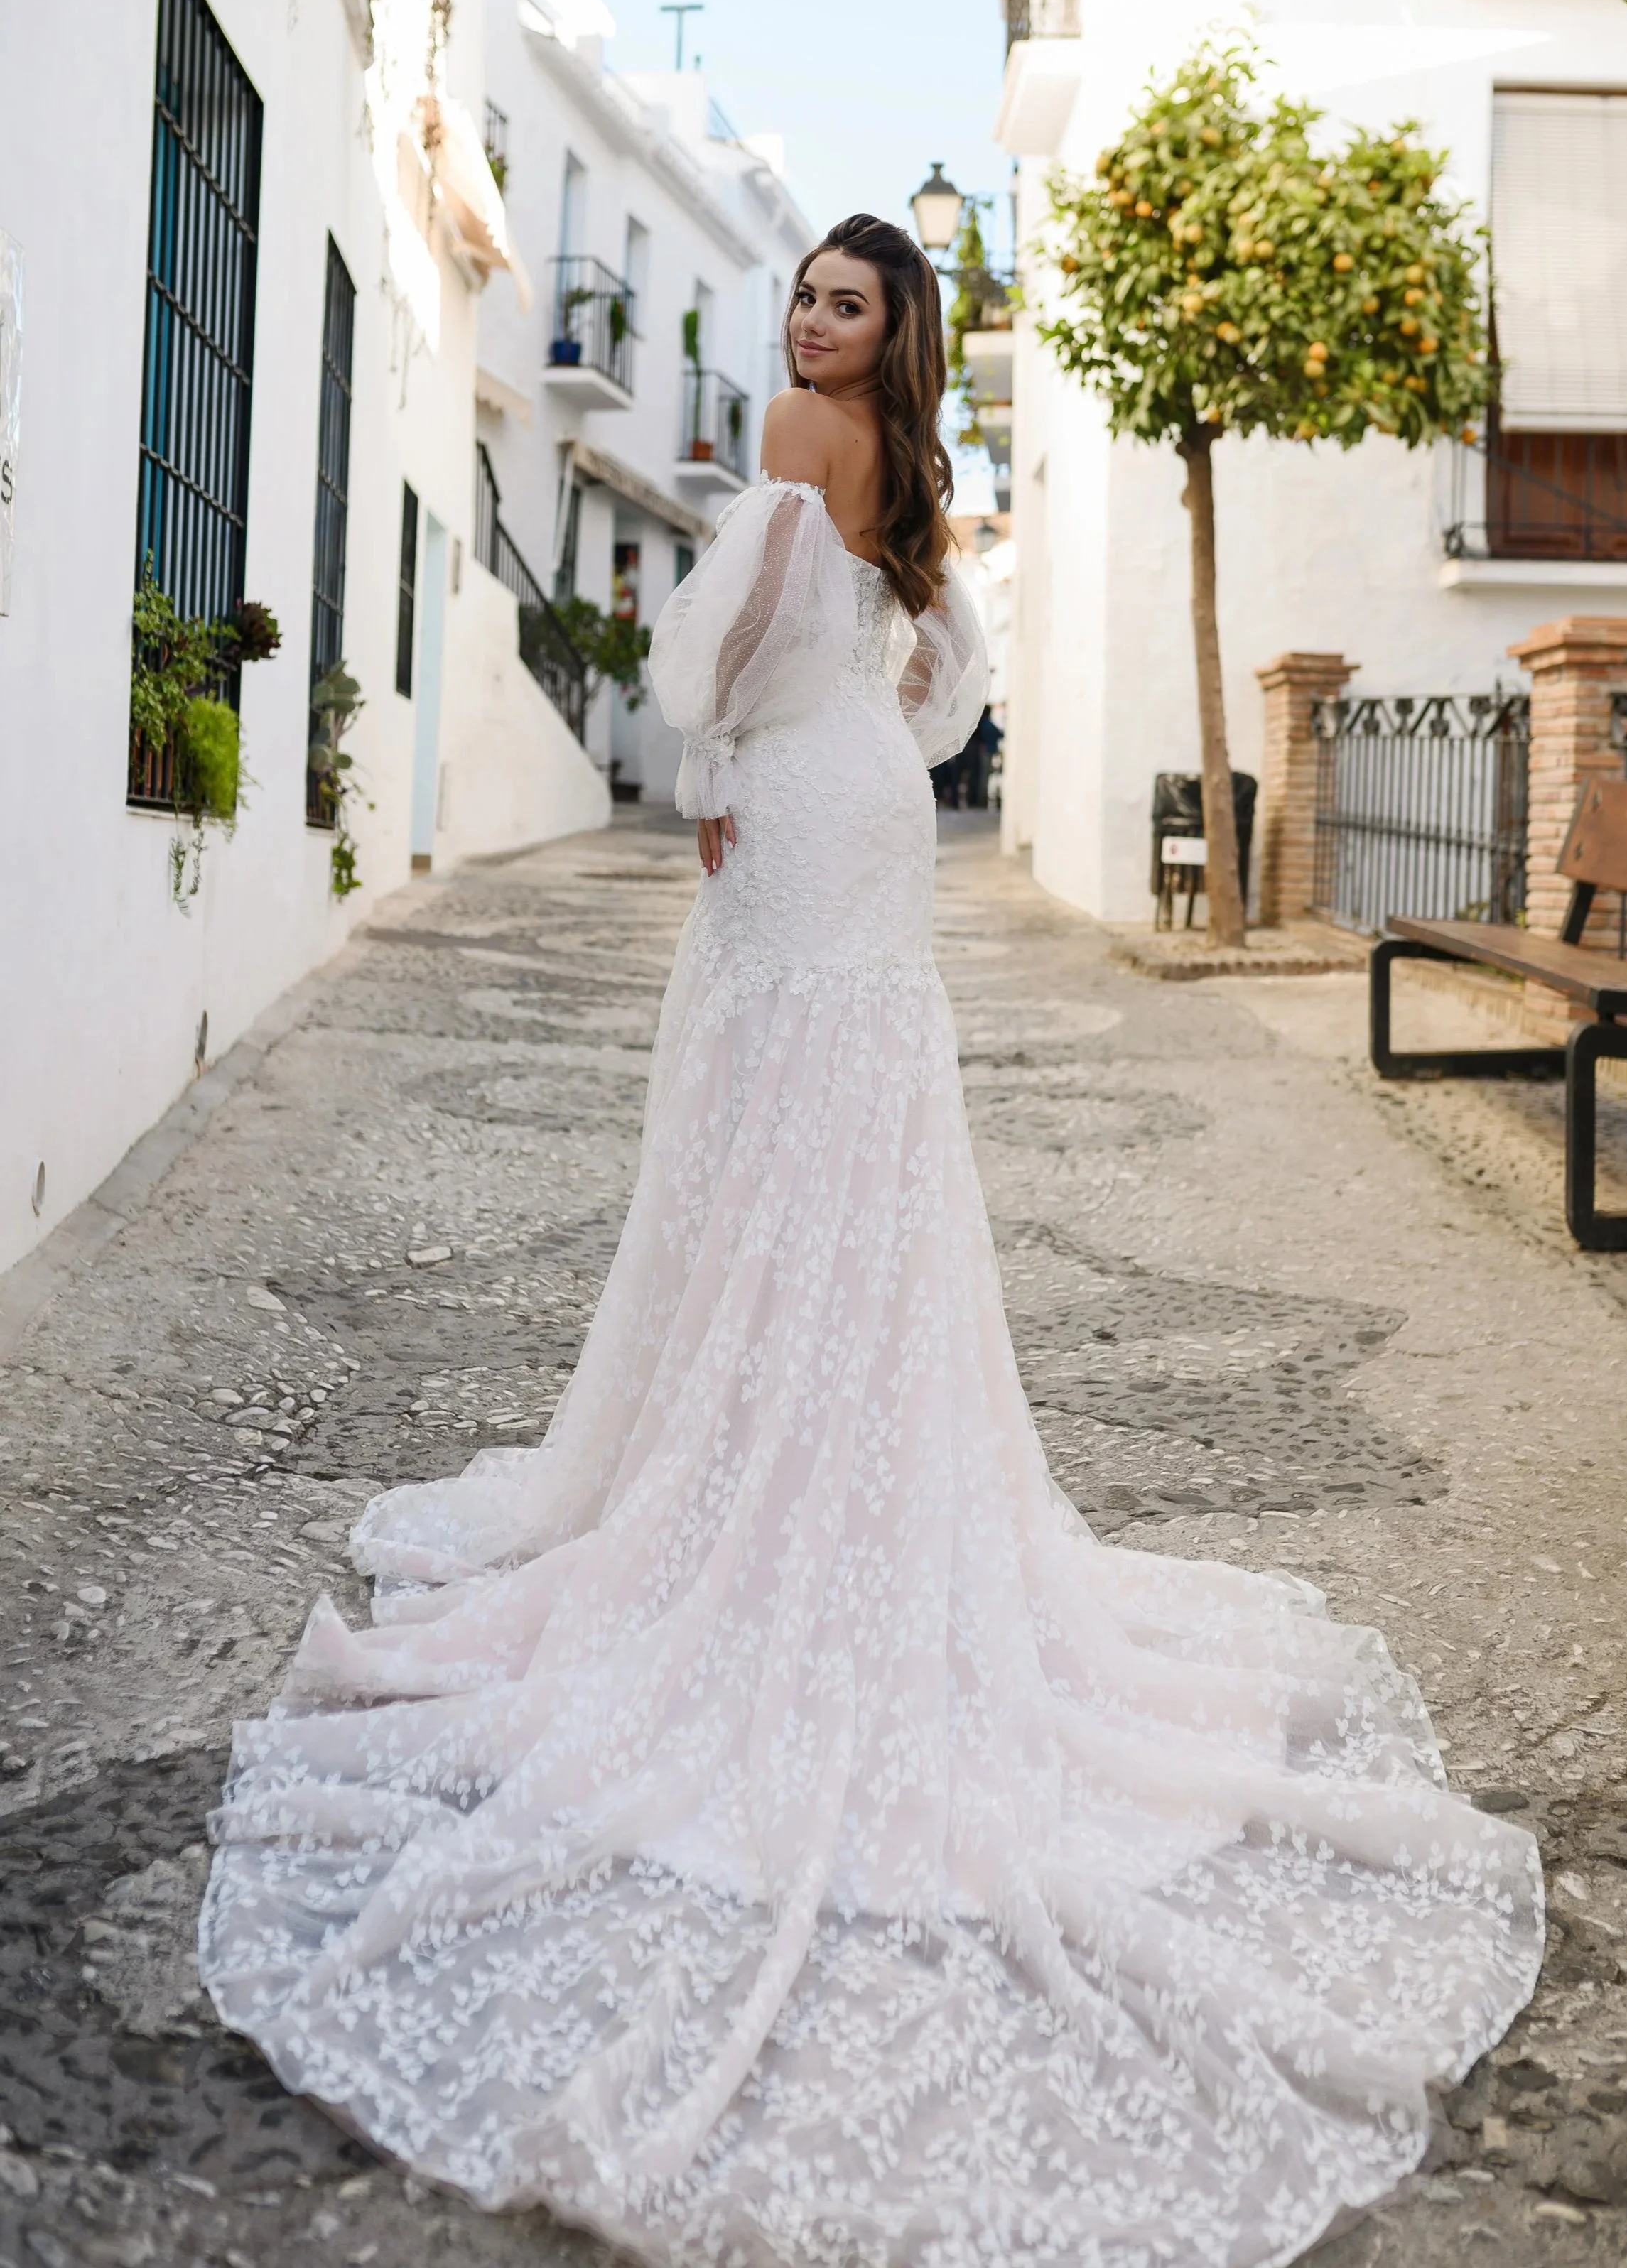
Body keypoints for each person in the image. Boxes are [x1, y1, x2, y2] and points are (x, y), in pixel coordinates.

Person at [200, 215, 1541, 2268]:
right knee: (853, 1135)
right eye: (808, 297)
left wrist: (725, 757)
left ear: (883, 334)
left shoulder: (793, 434)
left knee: (763, 1132)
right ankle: (827, 1451)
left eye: (846, 304)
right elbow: (953, 686)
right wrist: (824, 747)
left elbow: (701, 660)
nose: (814, 327)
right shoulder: (913, 469)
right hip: (871, 822)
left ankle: (741, 1465)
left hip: (788, 814)